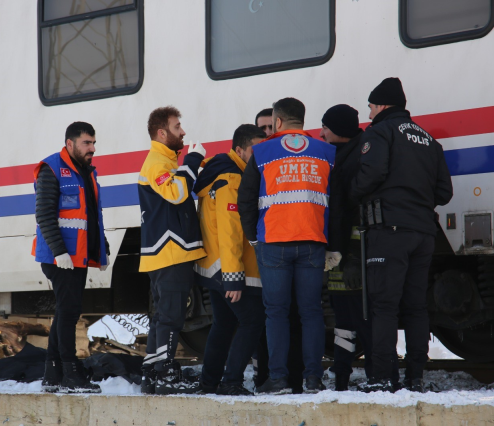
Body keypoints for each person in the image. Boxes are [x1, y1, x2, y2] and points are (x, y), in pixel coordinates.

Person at [350, 78, 453, 392]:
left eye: (370, 106)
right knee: (416, 307)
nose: (368, 113)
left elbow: (372, 173)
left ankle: (382, 378)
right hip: (423, 233)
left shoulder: (380, 132)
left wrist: (349, 192)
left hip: (389, 232)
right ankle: (415, 377)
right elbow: (444, 192)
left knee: (384, 305)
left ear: (382, 105)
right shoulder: (428, 139)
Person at [238, 98, 335, 394]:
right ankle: (312, 379)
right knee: (311, 312)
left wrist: (254, 237)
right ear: (302, 121)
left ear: (277, 122)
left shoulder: (262, 151)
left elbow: (246, 200)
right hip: (313, 242)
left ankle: (278, 379)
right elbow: (337, 201)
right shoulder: (326, 151)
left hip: (274, 242)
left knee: (276, 312)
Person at [33, 121, 108, 393]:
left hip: (79, 257)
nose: (92, 148)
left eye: (93, 142)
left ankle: (53, 373)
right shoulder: (51, 169)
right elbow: (44, 214)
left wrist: (103, 248)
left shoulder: (86, 172)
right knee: (68, 312)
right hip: (60, 257)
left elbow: (91, 217)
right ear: (70, 144)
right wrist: (59, 251)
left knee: (67, 310)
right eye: (87, 143)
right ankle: (69, 373)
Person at [138, 106, 207, 395]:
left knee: (163, 316)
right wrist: (193, 159)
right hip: (170, 252)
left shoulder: (162, 161)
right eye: (178, 127)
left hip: (165, 253)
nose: (183, 132)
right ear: (162, 132)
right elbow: (178, 194)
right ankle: (164, 375)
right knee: (171, 316)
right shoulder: (157, 163)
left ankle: (153, 373)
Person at [194, 124, 267, 396]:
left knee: (224, 325)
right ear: (239, 150)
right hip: (229, 269)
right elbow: (230, 233)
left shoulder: (218, 171)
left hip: (215, 267)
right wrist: (233, 278)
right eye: (255, 150)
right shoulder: (232, 179)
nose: (260, 155)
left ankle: (209, 383)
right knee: (252, 321)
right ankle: (231, 382)